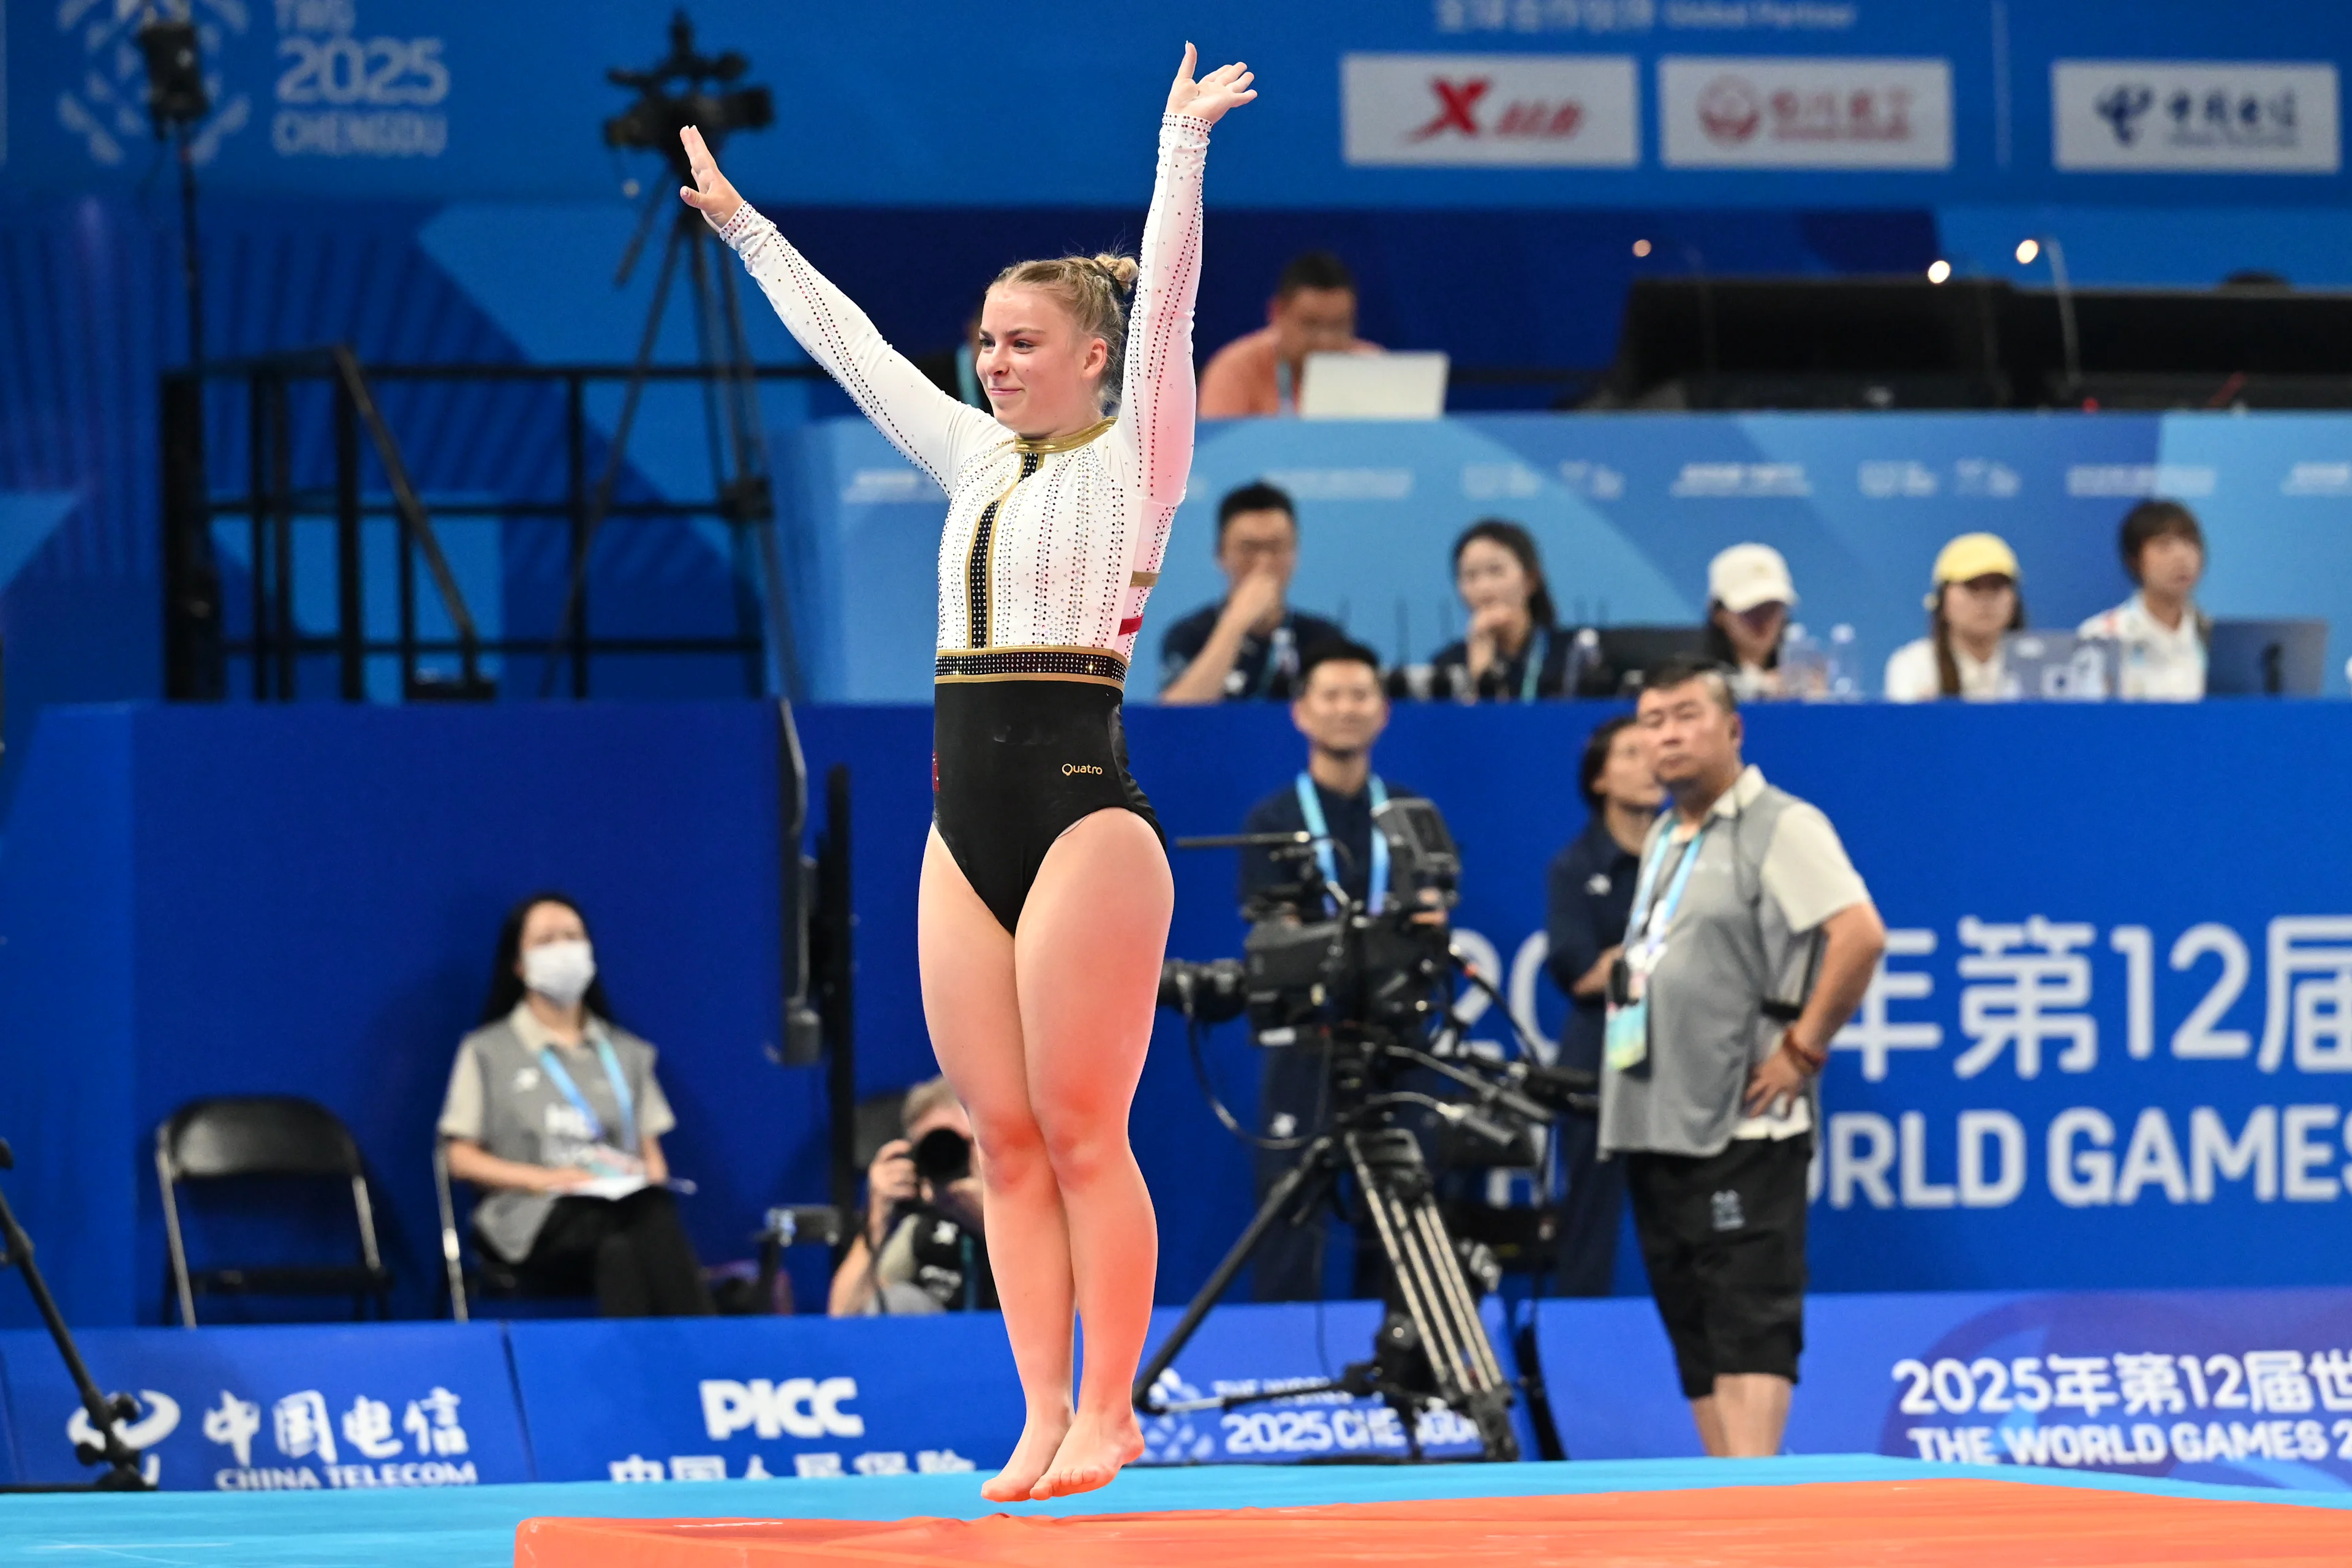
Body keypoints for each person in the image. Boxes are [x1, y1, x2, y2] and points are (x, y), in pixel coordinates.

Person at [682, 45, 1256, 1501]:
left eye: (1020, 342)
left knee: (1080, 1127)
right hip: (967, 825)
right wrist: (745, 229)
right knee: (999, 1137)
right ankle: (1039, 1409)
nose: (991, 361)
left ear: (1089, 359)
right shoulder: (973, 458)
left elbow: (1169, 307)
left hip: (1086, 822)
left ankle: (1112, 1406)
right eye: (986, 341)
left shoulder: (1138, 464)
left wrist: (1179, 148)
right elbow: (853, 348)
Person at [1599, 660, 1885, 1458]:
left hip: (1745, 1123)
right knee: (1692, 1324)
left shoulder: (1781, 825)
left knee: (1748, 1319)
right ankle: (1730, 1493)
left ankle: (1756, 1499)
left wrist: (1803, 1048)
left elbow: (1860, 935)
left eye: (1687, 715)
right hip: (1658, 1115)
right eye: (1653, 720)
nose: (1668, 734)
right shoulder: (1665, 834)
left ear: (1733, 728)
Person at [1236, 639, 1423, 1300]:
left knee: (1401, 1220)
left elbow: (1429, 923)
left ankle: (1401, 1348)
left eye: (1360, 695)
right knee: (1289, 1209)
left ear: (1384, 710)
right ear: (1301, 712)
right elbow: (1273, 940)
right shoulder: (1274, 820)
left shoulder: (1409, 815)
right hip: (1306, 1046)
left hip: (1395, 1046)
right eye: (1332, 695)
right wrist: (1372, 941)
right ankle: (1280, 1347)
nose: (1347, 708)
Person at [439, 894, 714, 1318]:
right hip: (531, 1216)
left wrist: (635, 1176)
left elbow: (654, 1163)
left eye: (572, 937)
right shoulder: (486, 1051)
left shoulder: (627, 1053)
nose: (563, 949)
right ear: (518, 964)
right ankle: (704, 1341)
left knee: (624, 1246)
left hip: (620, 1208)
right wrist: (549, 1179)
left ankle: (647, 1361)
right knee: (643, 1220)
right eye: (546, 940)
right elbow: (459, 1159)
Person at [1542, 716, 1660, 1297]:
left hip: (1681, 1058)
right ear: (1599, 779)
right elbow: (1584, 974)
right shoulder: (1574, 867)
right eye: (1631, 754)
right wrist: (1659, 953)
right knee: (1589, 1221)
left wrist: (1629, 957)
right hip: (1601, 1061)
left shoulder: (1689, 855)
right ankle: (1578, 1334)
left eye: (1653, 751)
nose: (1650, 763)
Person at [1158, 481, 1347, 703]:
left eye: (1276, 547)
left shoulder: (1323, 638)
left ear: (1295, 553)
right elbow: (1175, 713)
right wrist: (1235, 624)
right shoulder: (1190, 634)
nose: (1263, 563)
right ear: (1220, 554)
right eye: (1248, 548)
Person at [829, 1077, 990, 1316]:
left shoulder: (1032, 1216)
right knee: (900, 1300)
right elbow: (843, 1316)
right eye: (934, 1148)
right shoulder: (921, 1228)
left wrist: (986, 1217)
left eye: (955, 1143)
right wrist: (876, 1219)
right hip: (940, 1338)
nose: (945, 1156)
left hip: (1015, 1337)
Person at [1197, 251, 1378, 418]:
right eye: (1311, 324)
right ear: (1276, 313)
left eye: (1338, 325)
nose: (1326, 341)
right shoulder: (1236, 371)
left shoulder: (1373, 369)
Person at [1431, 519, 1577, 701]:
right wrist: (1480, 666)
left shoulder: (1572, 656)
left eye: (1496, 571)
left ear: (1531, 579)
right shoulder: (1447, 667)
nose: (1484, 588)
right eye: (1470, 575)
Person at [2078, 499, 2209, 701]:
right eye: (2164, 545)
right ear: (2135, 559)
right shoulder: (2102, 636)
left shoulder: (2212, 638)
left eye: (2191, 543)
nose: (2181, 556)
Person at [1883, 533, 2026, 703]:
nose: (1986, 598)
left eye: (1996, 586)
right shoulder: (1914, 666)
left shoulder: (2035, 667)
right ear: (1942, 599)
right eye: (1972, 586)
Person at [1701, 544, 1797, 701]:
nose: (1762, 619)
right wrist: (1763, 687)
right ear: (1719, 614)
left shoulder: (1807, 675)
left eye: (1772, 608)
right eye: (1749, 610)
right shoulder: (1695, 681)